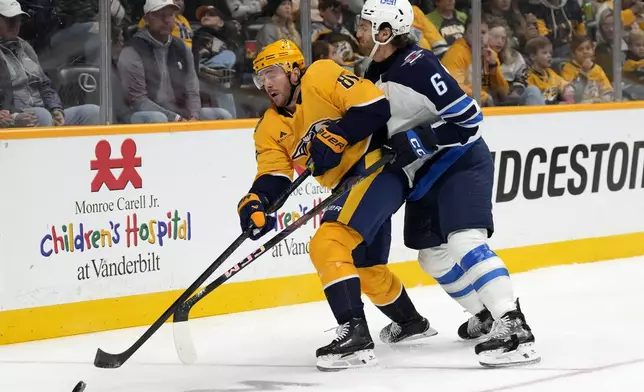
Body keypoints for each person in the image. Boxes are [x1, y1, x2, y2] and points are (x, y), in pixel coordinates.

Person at [355, 0, 540, 367]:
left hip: (460, 161)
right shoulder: (370, 75)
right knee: (432, 255)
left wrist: (421, 139)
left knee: (463, 239)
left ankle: (515, 327)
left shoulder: (418, 65)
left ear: (385, 32)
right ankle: (485, 313)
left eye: (364, 25)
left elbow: (469, 119)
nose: (356, 31)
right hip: (424, 175)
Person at [238, 39, 435, 371]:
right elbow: (274, 175)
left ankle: (355, 336)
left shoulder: (321, 74)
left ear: (294, 71)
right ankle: (411, 323)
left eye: (272, 73)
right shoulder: (269, 127)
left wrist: (340, 134)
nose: (267, 83)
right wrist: (255, 201)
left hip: (379, 165)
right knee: (365, 268)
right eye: (261, 79)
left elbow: (374, 106)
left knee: (328, 243)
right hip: (349, 186)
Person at [118, 0, 232, 123]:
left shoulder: (181, 47)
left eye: (170, 15)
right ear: (147, 19)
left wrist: (194, 116)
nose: (167, 20)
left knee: (222, 115)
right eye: (160, 15)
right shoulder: (132, 50)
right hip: (140, 114)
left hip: (180, 113)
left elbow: (192, 90)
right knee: (158, 118)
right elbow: (137, 100)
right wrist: (176, 118)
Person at [0, 0, 100, 126]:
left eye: (18, 19)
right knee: (42, 116)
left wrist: (56, 109)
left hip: (41, 112)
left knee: (94, 112)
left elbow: (44, 84)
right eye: (10, 20)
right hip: (17, 115)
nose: (15, 25)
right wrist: (14, 116)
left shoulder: (25, 47)